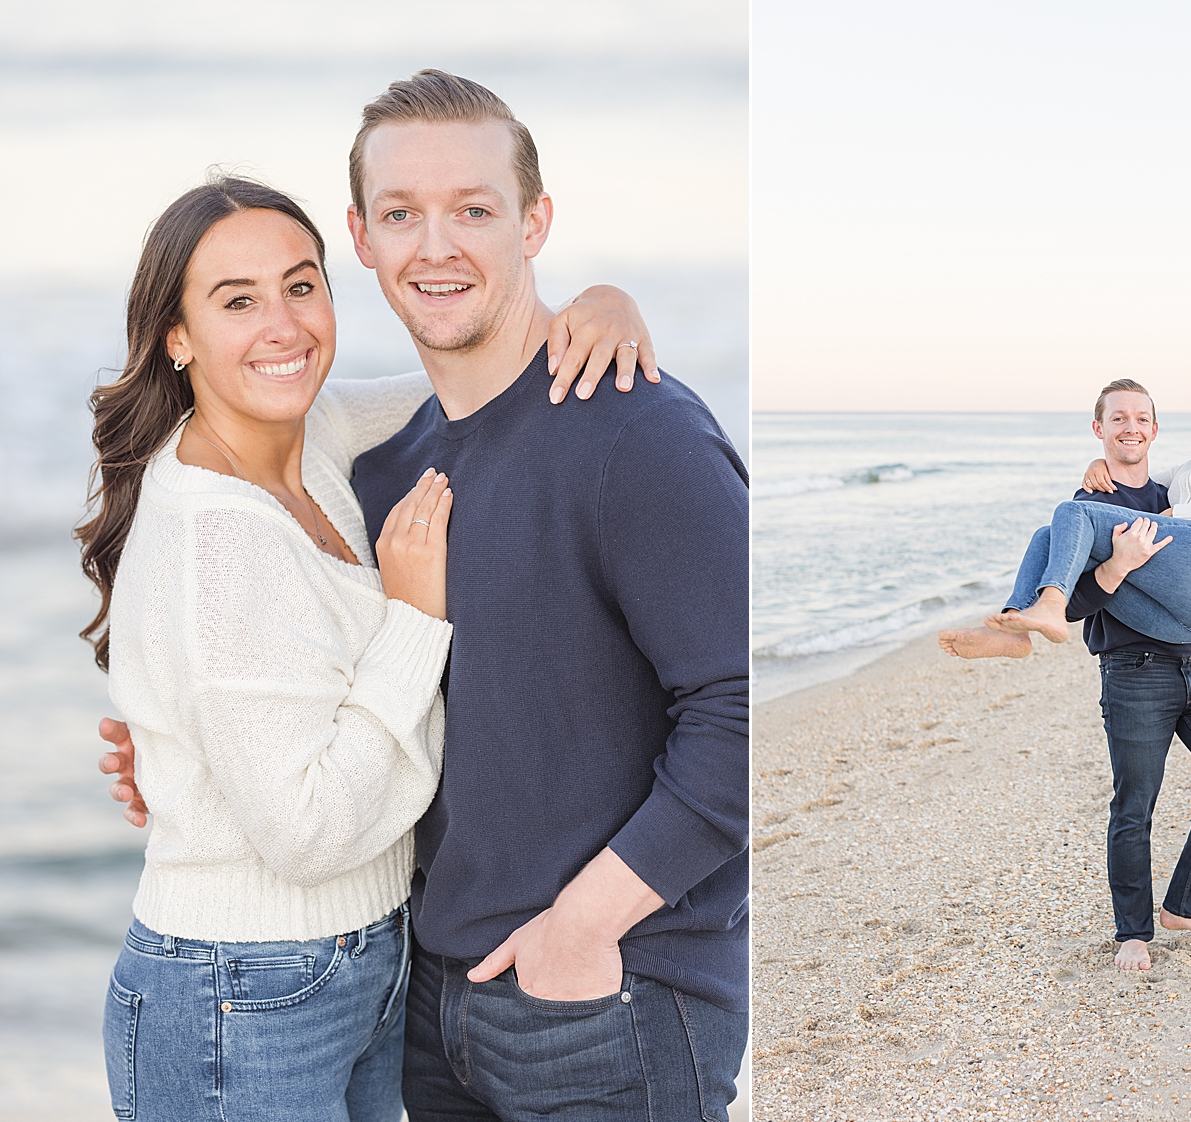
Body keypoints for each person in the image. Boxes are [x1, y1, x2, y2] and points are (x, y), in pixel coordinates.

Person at [102, 70, 749, 1119]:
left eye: (475, 211)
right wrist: (187, 757)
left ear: (536, 223)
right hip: (424, 1008)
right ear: (363, 238)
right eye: (402, 214)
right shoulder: (387, 467)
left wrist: (583, 930)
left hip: (607, 1000)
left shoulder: (642, 436)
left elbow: (741, 717)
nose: (435, 247)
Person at [941, 377, 1191, 970]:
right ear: (1100, 429)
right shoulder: (1085, 504)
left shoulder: (1181, 490)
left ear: (1154, 427)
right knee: (1134, 805)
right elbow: (1071, 609)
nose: (1130, 428)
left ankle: (1184, 905)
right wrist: (1118, 567)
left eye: (1141, 418)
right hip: (1134, 669)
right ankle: (1133, 933)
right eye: (1117, 419)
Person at [983, 361, 1191, 649]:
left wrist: (1179, 513)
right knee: (1048, 534)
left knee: (1072, 512)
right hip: (1181, 622)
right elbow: (1139, 478)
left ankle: (1050, 604)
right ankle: (1013, 629)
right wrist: (1098, 464)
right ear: (1100, 428)